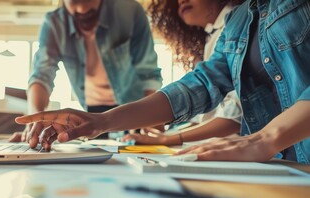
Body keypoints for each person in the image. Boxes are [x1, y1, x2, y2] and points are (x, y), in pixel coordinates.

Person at [15, 0, 310, 164]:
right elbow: (196, 86)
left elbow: (148, 73)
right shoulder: (239, 22)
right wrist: (100, 121)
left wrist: (262, 139)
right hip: (288, 167)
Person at [9, 0, 162, 143]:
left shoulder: (130, 11)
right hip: (91, 112)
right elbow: (41, 75)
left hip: (133, 108)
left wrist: (151, 117)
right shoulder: (54, 24)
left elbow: (147, 73)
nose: (83, 9)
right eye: (75, 1)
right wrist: (36, 119)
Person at [122, 0, 244, 146]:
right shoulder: (212, 35)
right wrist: (166, 135)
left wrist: (167, 139)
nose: (181, 1)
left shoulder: (236, 26)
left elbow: (234, 118)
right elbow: (205, 119)